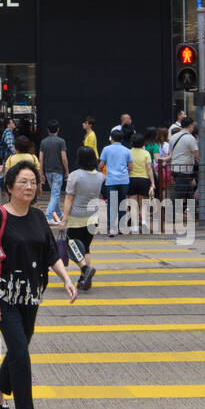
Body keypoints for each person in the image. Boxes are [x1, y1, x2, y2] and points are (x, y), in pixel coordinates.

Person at [0, 158, 77, 409]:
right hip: (5, 297)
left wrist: (67, 279)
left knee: (18, 349)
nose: (28, 187)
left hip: (31, 297)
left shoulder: (36, 217)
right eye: (22, 182)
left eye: (33, 182)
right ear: (9, 186)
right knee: (21, 352)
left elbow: (50, 255)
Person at [60, 146, 104, 290]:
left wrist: (64, 218)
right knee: (85, 248)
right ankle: (84, 279)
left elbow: (69, 198)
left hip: (76, 217)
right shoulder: (100, 176)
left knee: (72, 246)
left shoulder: (75, 175)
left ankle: (85, 270)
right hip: (93, 216)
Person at [98, 127, 133, 235]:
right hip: (123, 180)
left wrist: (101, 173)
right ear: (122, 139)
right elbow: (131, 167)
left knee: (112, 204)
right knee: (122, 204)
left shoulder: (106, 149)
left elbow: (101, 165)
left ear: (111, 138)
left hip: (111, 181)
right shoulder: (127, 150)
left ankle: (112, 228)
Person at [39, 121, 68, 225]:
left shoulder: (43, 142)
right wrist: (67, 172)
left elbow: (41, 159)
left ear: (48, 130)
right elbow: (64, 158)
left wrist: (41, 173)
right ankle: (48, 216)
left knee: (54, 194)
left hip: (47, 171)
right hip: (58, 171)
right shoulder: (61, 141)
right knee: (55, 194)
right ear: (58, 129)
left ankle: (59, 214)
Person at [127, 133, 155, 232]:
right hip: (144, 179)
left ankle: (134, 227)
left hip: (131, 179)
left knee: (133, 204)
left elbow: (128, 168)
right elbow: (149, 169)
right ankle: (144, 222)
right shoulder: (146, 153)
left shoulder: (128, 152)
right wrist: (152, 182)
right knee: (143, 203)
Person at [168, 116, 198, 210]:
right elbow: (197, 155)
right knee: (179, 193)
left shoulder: (173, 137)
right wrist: (203, 167)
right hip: (185, 169)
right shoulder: (190, 138)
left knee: (188, 191)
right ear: (190, 125)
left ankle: (194, 213)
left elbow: (171, 153)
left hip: (175, 168)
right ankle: (171, 215)